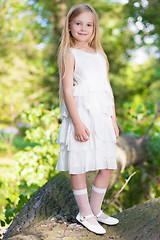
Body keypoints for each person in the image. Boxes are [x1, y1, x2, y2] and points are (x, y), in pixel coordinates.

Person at [56, 3, 119, 235]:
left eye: (88, 24)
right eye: (78, 23)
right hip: (81, 115)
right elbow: (68, 92)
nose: (83, 28)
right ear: (69, 26)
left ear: (94, 28)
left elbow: (107, 88)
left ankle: (94, 210)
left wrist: (113, 118)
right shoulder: (69, 54)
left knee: (107, 165)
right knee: (79, 164)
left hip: (101, 116)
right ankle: (85, 213)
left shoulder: (100, 55)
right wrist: (78, 123)